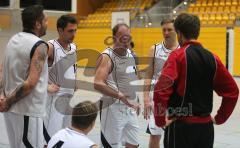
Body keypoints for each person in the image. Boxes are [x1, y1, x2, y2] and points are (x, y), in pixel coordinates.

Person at [153, 13, 239, 148]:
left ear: (179, 33)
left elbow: (161, 90)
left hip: (181, 128)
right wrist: (219, 118)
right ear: (197, 31)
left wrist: (160, 120)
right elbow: (232, 92)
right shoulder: (213, 58)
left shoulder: (177, 56)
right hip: (205, 129)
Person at [0, 5, 49, 148]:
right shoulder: (40, 46)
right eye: (45, 20)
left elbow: (2, 70)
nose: (47, 24)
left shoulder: (14, 39)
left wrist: (3, 98)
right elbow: (30, 83)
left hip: (10, 111)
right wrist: (7, 101)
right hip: (27, 110)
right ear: (37, 24)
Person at [94, 23, 140, 148]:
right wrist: (118, 95)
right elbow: (97, 83)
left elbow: (132, 79)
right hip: (112, 109)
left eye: (128, 36)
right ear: (114, 38)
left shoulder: (130, 54)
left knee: (133, 144)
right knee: (111, 145)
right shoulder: (107, 56)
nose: (126, 39)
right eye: (122, 36)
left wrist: (137, 99)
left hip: (130, 108)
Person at [143, 19, 179, 148]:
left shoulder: (182, 50)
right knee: (154, 135)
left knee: (176, 136)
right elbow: (148, 74)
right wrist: (146, 98)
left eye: (169, 29)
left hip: (176, 99)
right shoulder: (155, 49)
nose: (166, 32)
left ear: (177, 31)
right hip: (157, 98)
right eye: (164, 30)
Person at [44, 15, 78, 139]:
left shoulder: (74, 47)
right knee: (51, 139)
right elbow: (31, 68)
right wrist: (46, 86)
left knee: (65, 138)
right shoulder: (51, 47)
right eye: (70, 31)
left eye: (75, 30)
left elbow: (73, 67)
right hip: (54, 101)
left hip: (69, 99)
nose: (73, 34)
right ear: (59, 30)